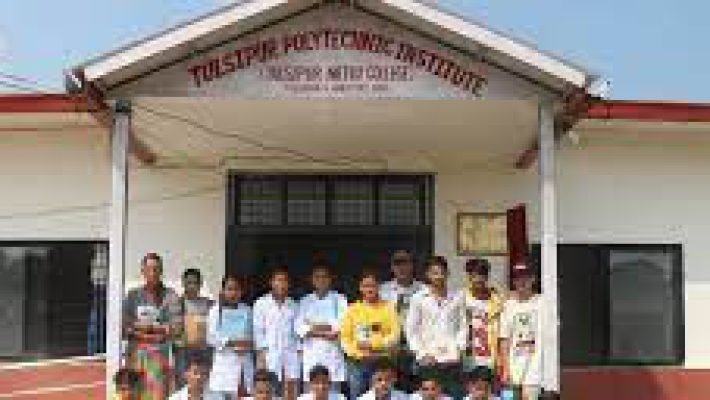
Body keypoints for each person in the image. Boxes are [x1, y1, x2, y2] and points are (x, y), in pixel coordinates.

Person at [122, 252, 181, 400]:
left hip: (158, 358)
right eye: (149, 269)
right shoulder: (133, 295)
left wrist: (145, 328)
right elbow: (125, 326)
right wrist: (157, 331)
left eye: (156, 269)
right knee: (134, 395)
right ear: (142, 271)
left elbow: (176, 328)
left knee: (157, 395)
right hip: (135, 356)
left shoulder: (171, 295)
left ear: (161, 271)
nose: (153, 273)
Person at [405, 256, 466, 398]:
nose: (439, 277)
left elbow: (463, 326)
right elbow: (411, 329)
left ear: (448, 273)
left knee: (453, 396)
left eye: (442, 273)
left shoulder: (458, 297)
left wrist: (458, 349)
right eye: (435, 273)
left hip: (451, 360)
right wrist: (421, 353)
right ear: (428, 274)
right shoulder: (418, 298)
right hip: (428, 360)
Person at [341, 268, 400, 399]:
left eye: (372, 285)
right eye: (366, 286)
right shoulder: (352, 309)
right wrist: (359, 354)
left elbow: (395, 335)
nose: (369, 289)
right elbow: (345, 338)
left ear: (378, 286)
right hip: (358, 363)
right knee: (358, 396)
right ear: (360, 288)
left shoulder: (388, 308)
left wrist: (374, 345)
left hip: (382, 362)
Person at [296, 263, 348, 391]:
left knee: (333, 395)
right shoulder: (305, 301)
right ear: (312, 280)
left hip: (332, 355)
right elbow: (299, 327)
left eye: (324, 277)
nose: (321, 280)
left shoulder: (339, 299)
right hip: (312, 355)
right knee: (310, 395)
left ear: (330, 279)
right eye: (317, 277)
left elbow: (341, 325)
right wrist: (326, 329)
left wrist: (312, 326)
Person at [380, 250, 424, 392]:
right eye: (397, 263)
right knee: (391, 388)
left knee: (416, 388)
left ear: (412, 265)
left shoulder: (424, 290)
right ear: (392, 267)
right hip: (391, 348)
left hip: (416, 346)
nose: (401, 267)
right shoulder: (383, 290)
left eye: (405, 263)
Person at [253, 266, 300, 400]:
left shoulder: (294, 305)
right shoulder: (261, 303)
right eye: (278, 280)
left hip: (290, 355)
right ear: (271, 282)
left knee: (290, 393)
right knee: (268, 391)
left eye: (285, 280)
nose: (282, 284)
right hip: (269, 355)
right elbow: (258, 331)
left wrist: (299, 353)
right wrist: (261, 356)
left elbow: (298, 332)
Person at [498, 263, 543, 400]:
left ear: (533, 279)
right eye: (517, 278)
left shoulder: (543, 301)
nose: (522, 281)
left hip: (534, 372)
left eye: (526, 277)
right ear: (513, 281)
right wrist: (505, 368)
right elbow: (504, 339)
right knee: (507, 398)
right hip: (511, 371)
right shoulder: (508, 305)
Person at [207, 274, 255, 399]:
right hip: (224, 363)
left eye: (237, 289)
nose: (233, 293)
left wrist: (248, 344)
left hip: (243, 362)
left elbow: (253, 335)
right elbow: (211, 337)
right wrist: (232, 342)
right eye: (229, 289)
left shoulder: (247, 310)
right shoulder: (215, 311)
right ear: (223, 291)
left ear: (242, 291)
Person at [462, 259, 505, 376]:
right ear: (468, 276)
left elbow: (503, 332)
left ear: (487, 276)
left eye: (481, 275)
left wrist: (502, 358)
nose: (478, 279)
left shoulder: (498, 300)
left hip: (492, 358)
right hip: (468, 358)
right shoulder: (461, 298)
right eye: (473, 275)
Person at [176, 268, 215, 389]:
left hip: (204, 351)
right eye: (189, 283)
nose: (192, 286)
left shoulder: (209, 304)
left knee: (205, 384)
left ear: (200, 284)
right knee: (184, 384)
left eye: (195, 283)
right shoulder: (177, 303)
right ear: (183, 283)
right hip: (184, 351)